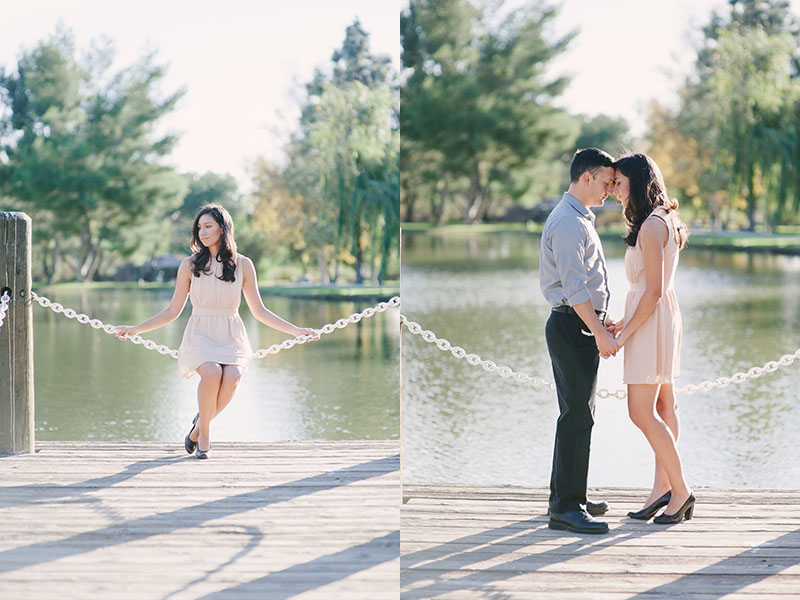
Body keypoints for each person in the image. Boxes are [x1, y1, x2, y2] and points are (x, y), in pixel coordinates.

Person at [114, 204, 318, 459]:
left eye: (208, 226)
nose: (202, 232)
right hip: (200, 333)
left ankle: (197, 428)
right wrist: (135, 329)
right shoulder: (189, 265)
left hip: (231, 334)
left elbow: (260, 311)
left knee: (231, 377)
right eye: (199, 227)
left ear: (223, 229)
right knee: (211, 372)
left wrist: (296, 331)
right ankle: (206, 437)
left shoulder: (244, 265)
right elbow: (172, 311)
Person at [608, 153, 695, 524]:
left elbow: (653, 291)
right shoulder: (663, 220)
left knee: (640, 411)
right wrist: (624, 320)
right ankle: (663, 488)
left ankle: (681, 490)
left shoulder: (651, 226)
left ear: (639, 183)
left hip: (652, 322)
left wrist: (626, 334)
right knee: (663, 408)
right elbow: (649, 288)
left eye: (619, 183)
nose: (613, 190)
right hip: (658, 318)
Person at [539, 148, 618, 535]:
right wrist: (599, 331)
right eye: (606, 182)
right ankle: (566, 509)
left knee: (576, 414)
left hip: (578, 324)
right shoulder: (570, 223)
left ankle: (570, 496)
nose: (610, 190)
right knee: (576, 416)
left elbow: (587, 284)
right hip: (574, 327)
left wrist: (604, 320)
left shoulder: (578, 217)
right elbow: (574, 288)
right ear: (587, 178)